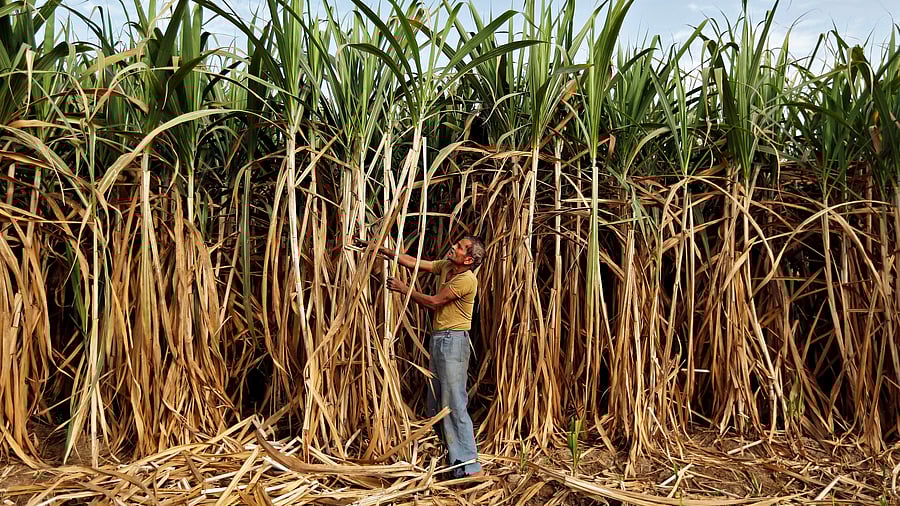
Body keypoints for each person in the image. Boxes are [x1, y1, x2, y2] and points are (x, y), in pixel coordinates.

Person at [356, 234, 486, 479]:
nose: (453, 247)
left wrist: (403, 289)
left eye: (459, 247)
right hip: (440, 339)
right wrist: (381, 249)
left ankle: (470, 466)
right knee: (435, 402)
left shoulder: (466, 280)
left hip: (454, 342)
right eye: (455, 243)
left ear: (468, 260)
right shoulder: (447, 266)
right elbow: (414, 262)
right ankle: (451, 460)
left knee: (455, 403)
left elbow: (435, 302)